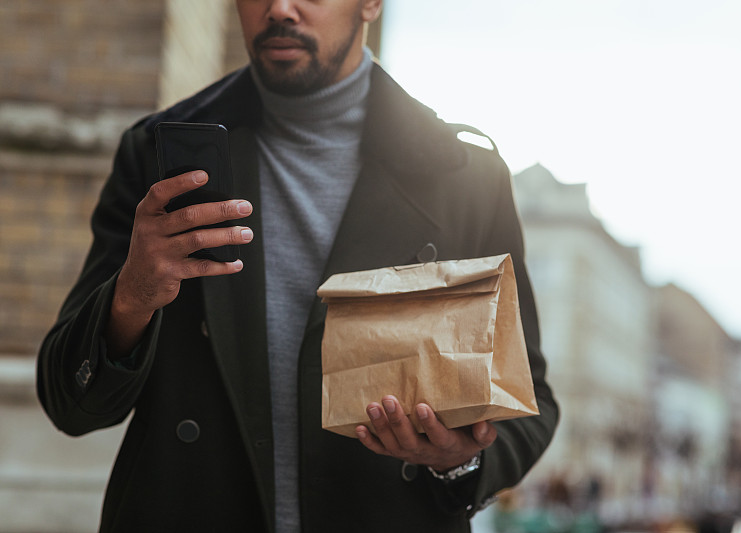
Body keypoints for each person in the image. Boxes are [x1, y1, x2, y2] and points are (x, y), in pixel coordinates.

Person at [37, 1, 559, 531]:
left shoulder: (464, 177)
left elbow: (529, 402)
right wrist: (132, 295)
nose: (280, 8)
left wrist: (459, 460)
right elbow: (71, 406)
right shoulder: (155, 157)